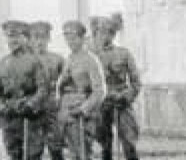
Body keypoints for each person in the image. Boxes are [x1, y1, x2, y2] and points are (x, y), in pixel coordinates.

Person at [0, 20, 47, 160]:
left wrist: (31, 104)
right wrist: (0, 105)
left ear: (25, 38)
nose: (13, 40)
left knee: (32, 155)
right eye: (9, 37)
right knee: (13, 154)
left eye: (17, 36)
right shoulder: (1, 63)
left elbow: (43, 89)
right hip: (9, 116)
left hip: (29, 116)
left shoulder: (34, 61)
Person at [91, 15, 141, 160]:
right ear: (96, 32)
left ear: (114, 34)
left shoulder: (124, 53)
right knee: (104, 145)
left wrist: (125, 96)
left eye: (109, 32)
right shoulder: (91, 56)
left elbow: (136, 82)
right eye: (101, 32)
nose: (105, 36)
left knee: (129, 142)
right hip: (101, 104)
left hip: (121, 103)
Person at [56, 21, 106, 160]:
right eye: (67, 38)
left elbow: (100, 91)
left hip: (83, 116)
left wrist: (83, 109)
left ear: (82, 38)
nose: (70, 42)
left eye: (73, 38)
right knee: (74, 155)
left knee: (83, 154)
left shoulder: (91, 60)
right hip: (68, 114)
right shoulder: (69, 59)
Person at [30, 21, 66, 160]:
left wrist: (60, 101)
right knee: (33, 151)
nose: (40, 41)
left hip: (53, 108)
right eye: (36, 37)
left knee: (56, 148)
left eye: (43, 37)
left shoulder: (58, 59)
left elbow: (66, 83)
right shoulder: (27, 59)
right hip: (33, 109)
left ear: (48, 38)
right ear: (31, 39)